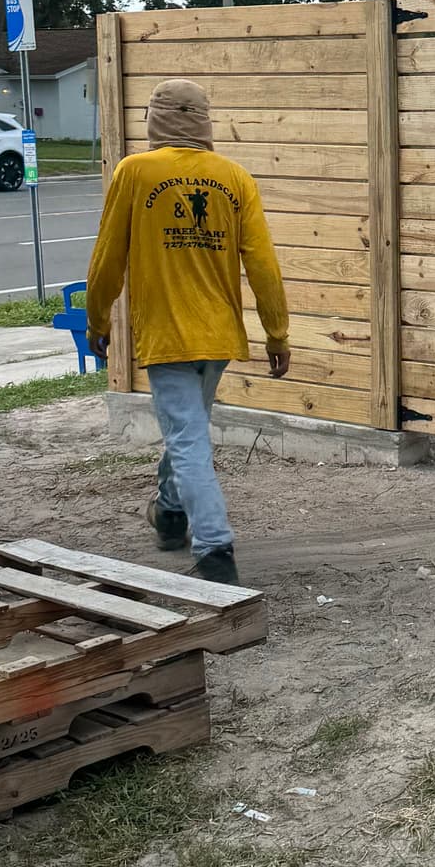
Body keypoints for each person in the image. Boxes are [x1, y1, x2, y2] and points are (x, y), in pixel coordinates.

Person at [84, 77, 290, 585]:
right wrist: (276, 332)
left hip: (166, 337)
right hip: (217, 335)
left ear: (154, 120)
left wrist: (97, 319)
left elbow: (107, 258)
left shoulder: (135, 172)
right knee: (189, 430)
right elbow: (263, 263)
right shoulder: (234, 177)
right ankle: (170, 511)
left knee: (189, 439)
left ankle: (215, 548)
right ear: (204, 122)